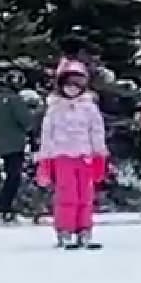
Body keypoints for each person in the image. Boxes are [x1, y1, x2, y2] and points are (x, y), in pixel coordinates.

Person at [35, 59, 108, 248]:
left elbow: (96, 131)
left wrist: (99, 155)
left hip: (85, 156)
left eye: (77, 85)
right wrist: (45, 159)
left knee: (85, 194)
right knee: (67, 195)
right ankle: (65, 229)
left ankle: (84, 229)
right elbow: (47, 134)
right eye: (68, 85)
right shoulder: (55, 109)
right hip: (62, 156)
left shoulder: (89, 107)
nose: (72, 89)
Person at [0, 69, 34, 224]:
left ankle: (3, 208)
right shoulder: (15, 100)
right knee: (14, 177)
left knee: (10, 175)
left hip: (2, 143)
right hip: (16, 143)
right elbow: (27, 121)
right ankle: (5, 208)